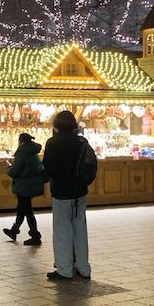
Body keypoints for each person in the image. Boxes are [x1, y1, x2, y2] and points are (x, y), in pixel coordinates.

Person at [42, 110, 91, 281]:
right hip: (79, 192)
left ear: (56, 126)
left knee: (63, 231)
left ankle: (64, 269)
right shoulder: (82, 142)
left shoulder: (53, 143)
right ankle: (84, 267)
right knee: (80, 230)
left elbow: (49, 169)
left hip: (62, 192)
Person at [3, 133, 46, 246]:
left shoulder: (22, 152)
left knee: (27, 210)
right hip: (32, 184)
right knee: (22, 208)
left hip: (24, 185)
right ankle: (14, 230)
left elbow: (15, 171)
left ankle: (35, 235)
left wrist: (8, 168)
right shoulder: (33, 151)